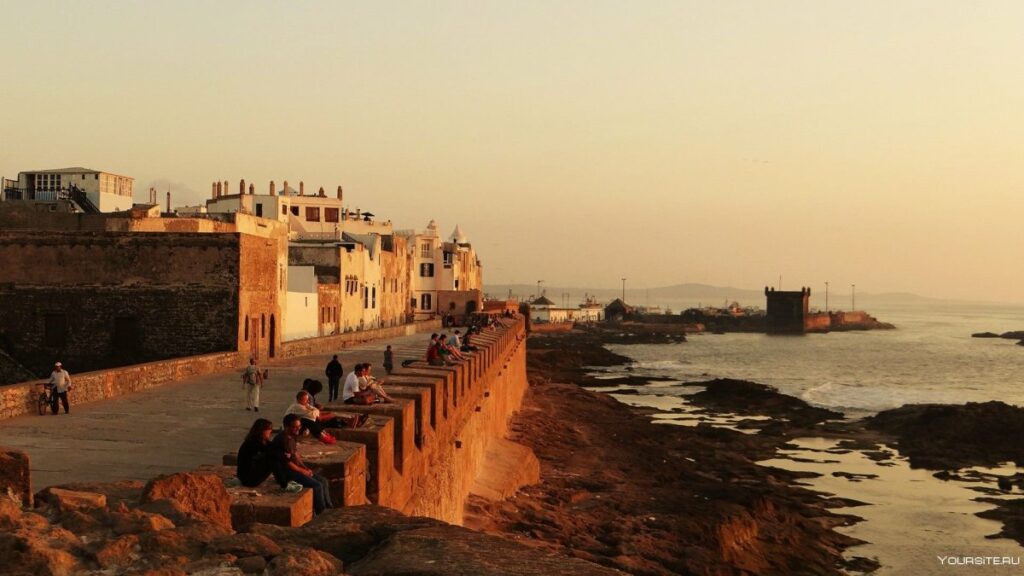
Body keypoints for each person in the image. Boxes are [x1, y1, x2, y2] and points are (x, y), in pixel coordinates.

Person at [271, 414, 333, 514]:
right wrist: (303, 471)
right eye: (295, 427)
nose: (298, 429)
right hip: (286, 473)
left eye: (299, 426)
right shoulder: (282, 440)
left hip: (295, 469)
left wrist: (305, 468)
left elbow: (295, 454)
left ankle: (329, 508)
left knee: (324, 481)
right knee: (317, 486)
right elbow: (288, 464)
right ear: (286, 427)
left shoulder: (292, 436)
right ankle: (321, 511)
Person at [236, 418, 274, 487]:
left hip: (250, 475)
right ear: (261, 430)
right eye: (268, 429)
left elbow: (273, 447)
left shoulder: (264, 441)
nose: (270, 431)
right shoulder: (253, 443)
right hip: (248, 479)